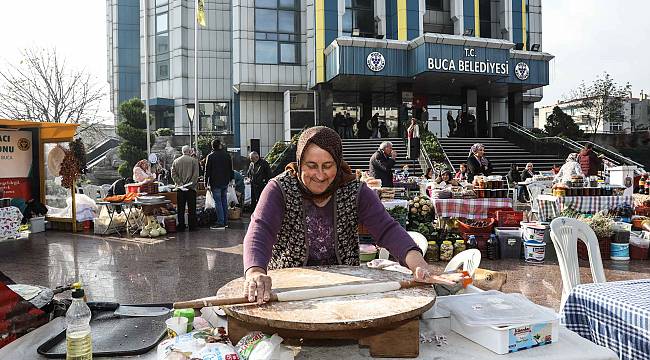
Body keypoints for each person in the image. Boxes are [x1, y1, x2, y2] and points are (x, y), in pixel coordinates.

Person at [242, 126, 457, 304]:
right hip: (290, 289)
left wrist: (418, 264)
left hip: (345, 288)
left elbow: (387, 229)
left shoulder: (354, 190)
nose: (319, 175)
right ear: (299, 163)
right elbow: (260, 230)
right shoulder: (279, 189)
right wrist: (255, 272)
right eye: (311, 166)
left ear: (338, 163)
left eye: (327, 166)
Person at [205, 139, 234, 229]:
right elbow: (231, 168)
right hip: (225, 181)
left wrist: (206, 183)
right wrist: (231, 179)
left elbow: (207, 170)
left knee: (218, 202)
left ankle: (220, 222)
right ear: (220, 145)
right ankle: (225, 221)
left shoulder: (210, 156)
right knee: (224, 201)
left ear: (213, 146)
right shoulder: (227, 155)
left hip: (215, 182)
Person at [172, 145, 200, 231]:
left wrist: (180, 184)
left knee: (181, 208)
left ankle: (181, 225)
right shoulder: (194, 161)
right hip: (191, 188)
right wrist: (190, 184)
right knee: (192, 208)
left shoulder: (176, 161)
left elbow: (173, 174)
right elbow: (196, 175)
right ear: (190, 151)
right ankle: (192, 226)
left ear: (182, 151)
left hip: (180, 188)